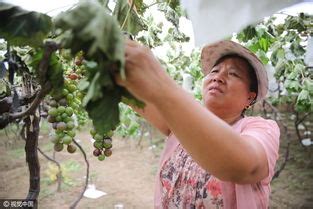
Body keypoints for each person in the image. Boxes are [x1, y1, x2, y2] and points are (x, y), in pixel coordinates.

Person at [115, 39, 280, 209]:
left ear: (250, 97)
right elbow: (129, 94)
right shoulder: (183, 121)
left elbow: (246, 167)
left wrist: (160, 83)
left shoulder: (260, 128)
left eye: (233, 74)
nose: (218, 77)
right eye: (215, 71)